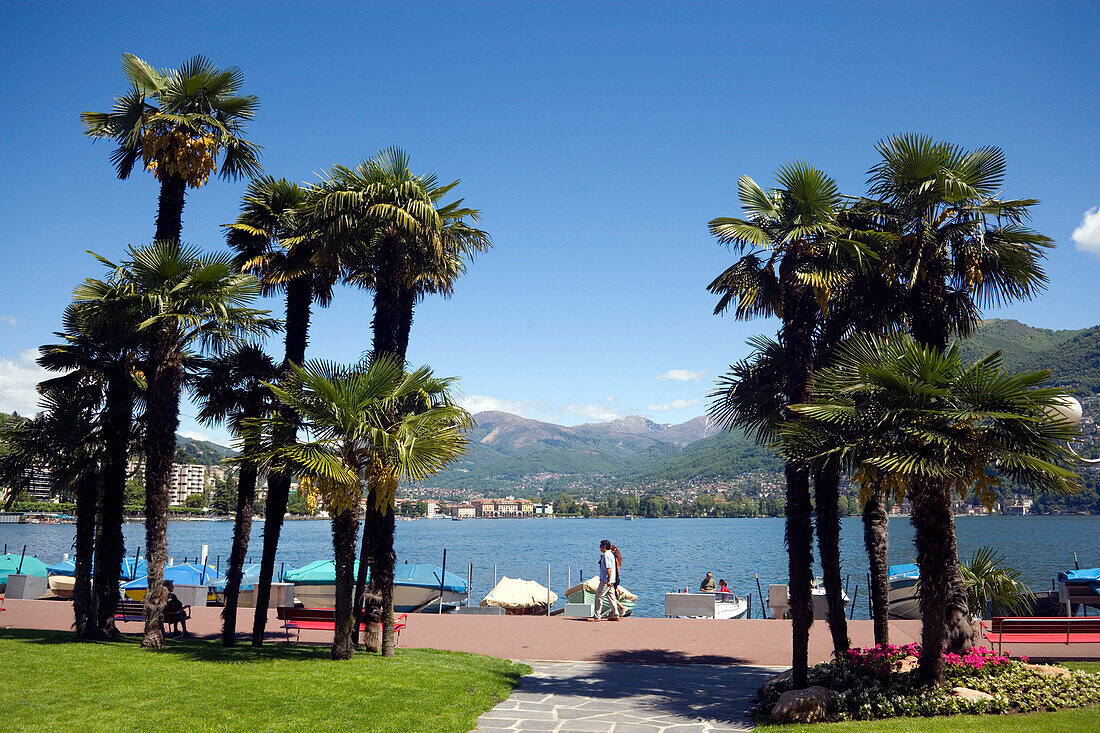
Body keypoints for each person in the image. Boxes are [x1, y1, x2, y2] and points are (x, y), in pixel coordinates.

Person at [589, 539, 621, 622]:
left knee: (598, 597)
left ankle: (597, 616)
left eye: (600, 546)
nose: (599, 548)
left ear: (604, 547)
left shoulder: (606, 555)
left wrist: (608, 579)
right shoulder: (611, 554)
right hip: (611, 580)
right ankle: (615, 614)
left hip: (606, 581)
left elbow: (608, 568)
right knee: (611, 597)